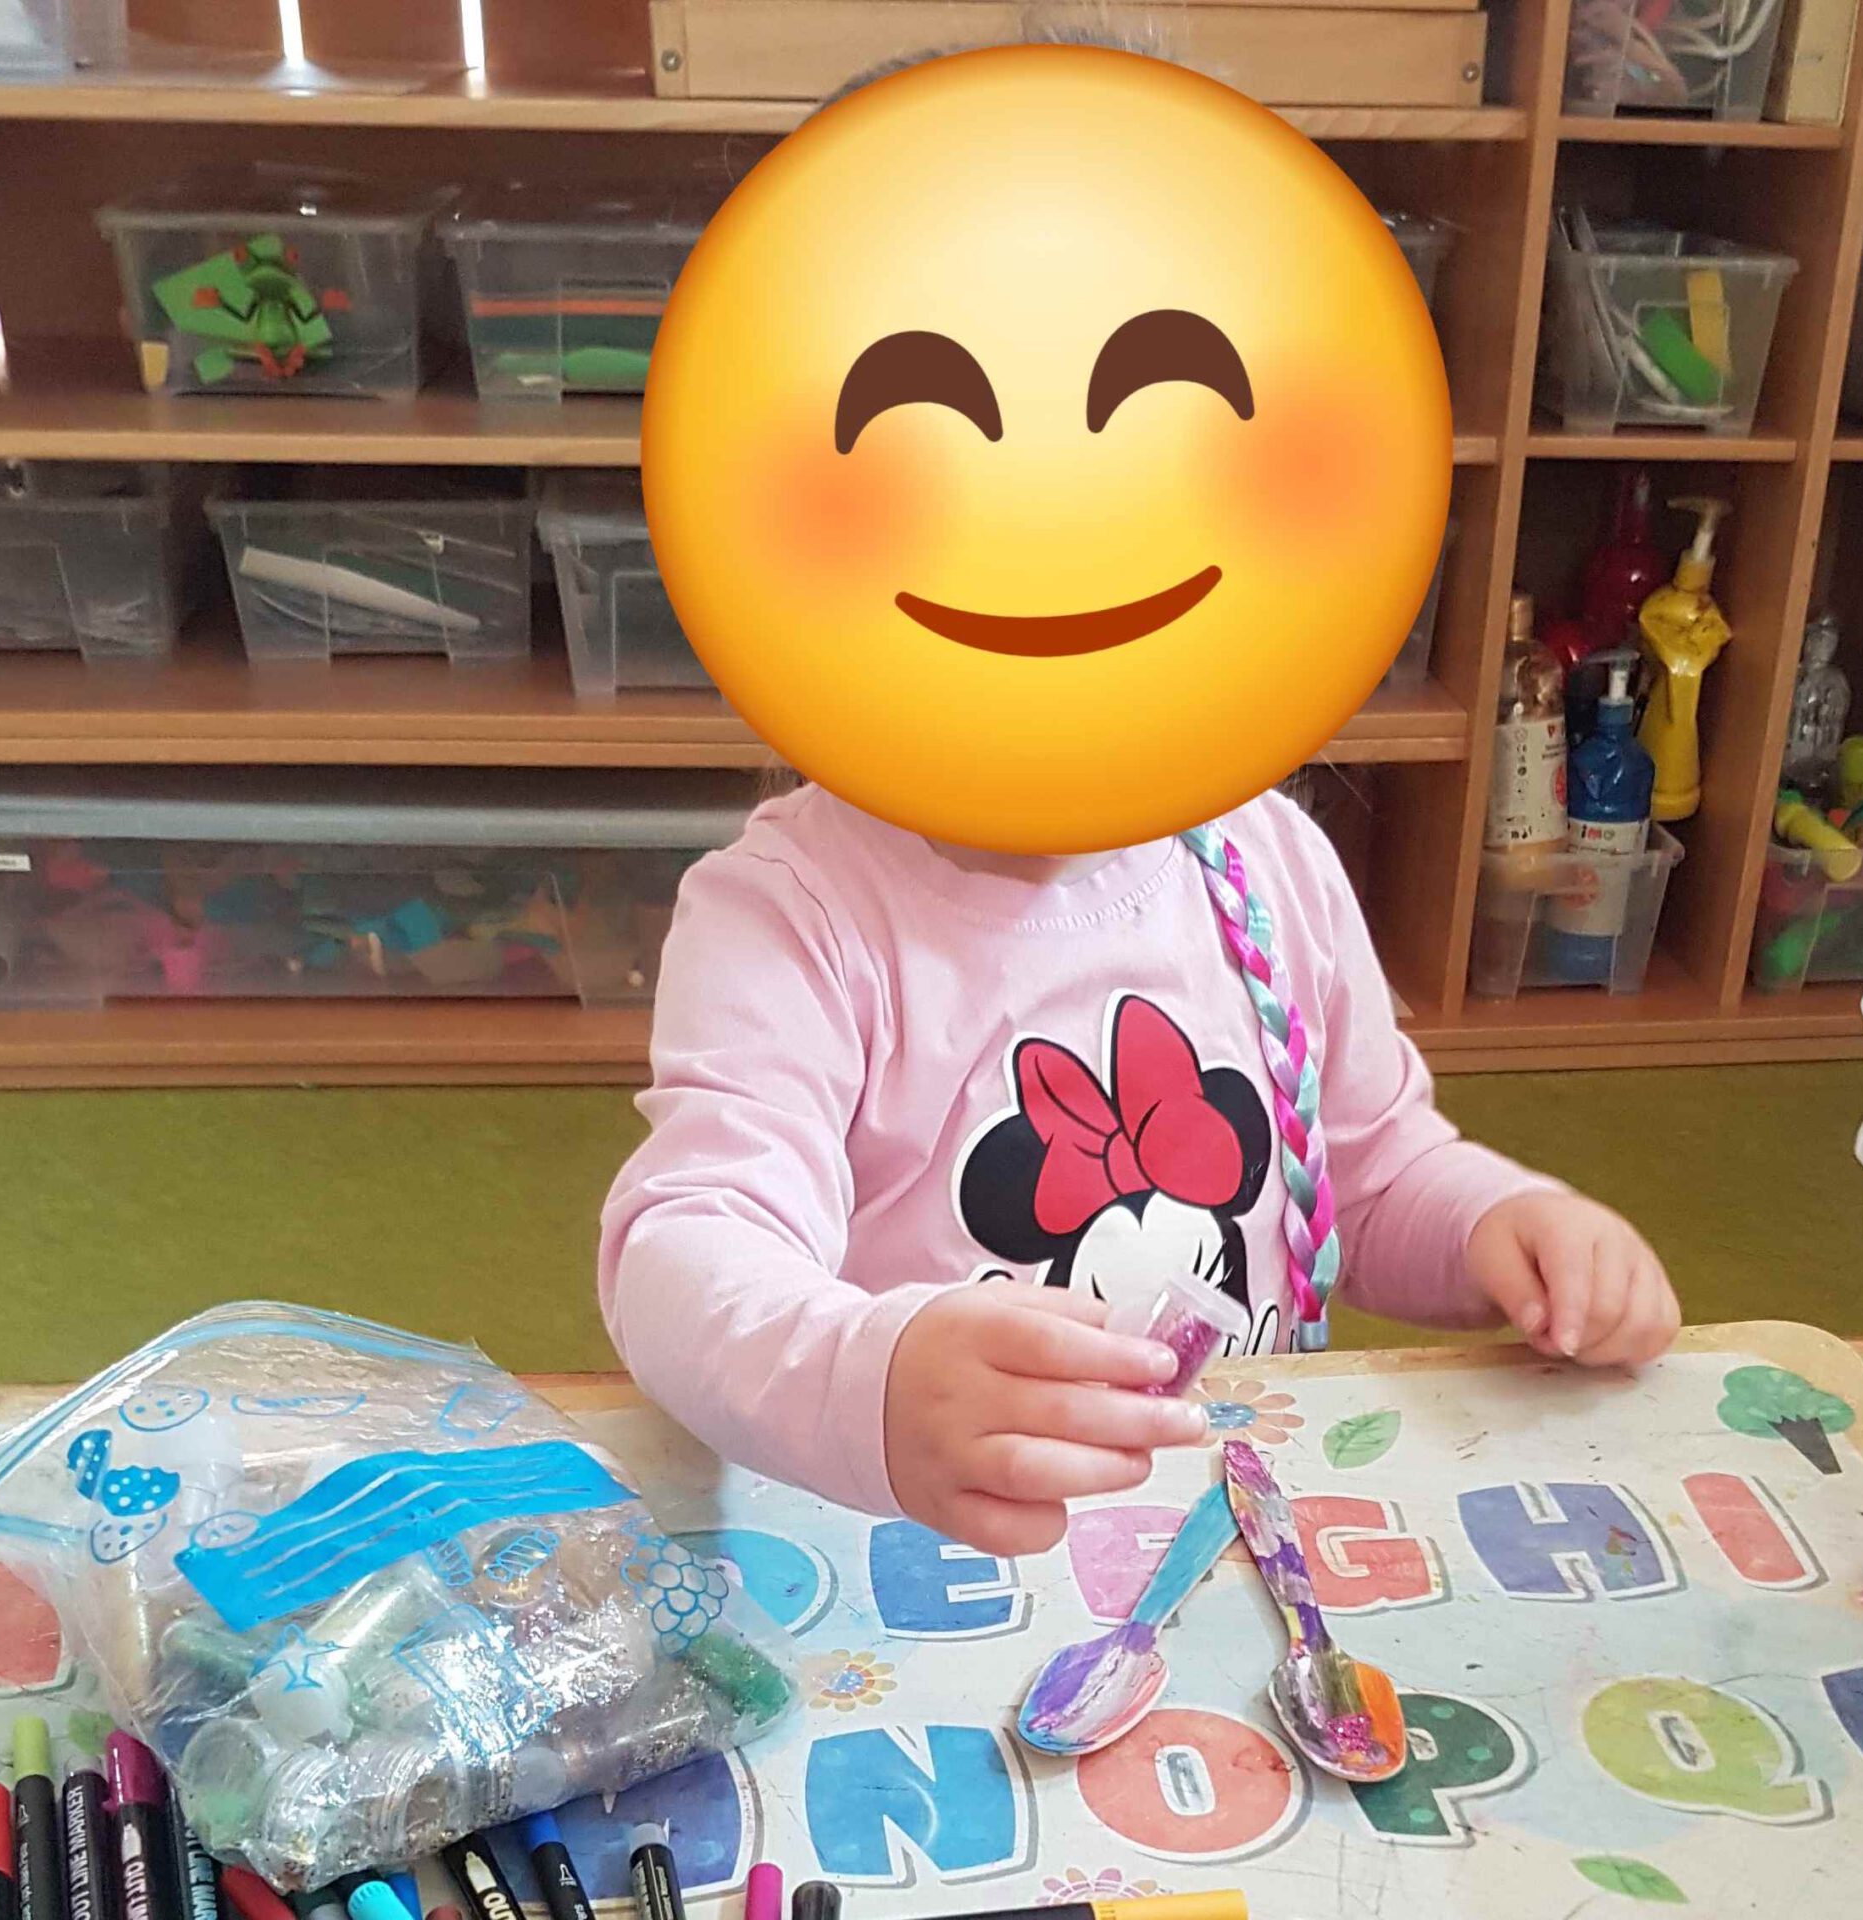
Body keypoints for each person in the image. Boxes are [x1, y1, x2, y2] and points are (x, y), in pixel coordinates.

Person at [602, 43, 1679, 1558]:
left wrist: (1510, 1225)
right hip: (927, 1550)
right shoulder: (792, 915)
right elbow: (683, 1254)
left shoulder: (1267, 857)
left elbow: (1369, 1175)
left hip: (1210, 1540)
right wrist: (869, 1383)